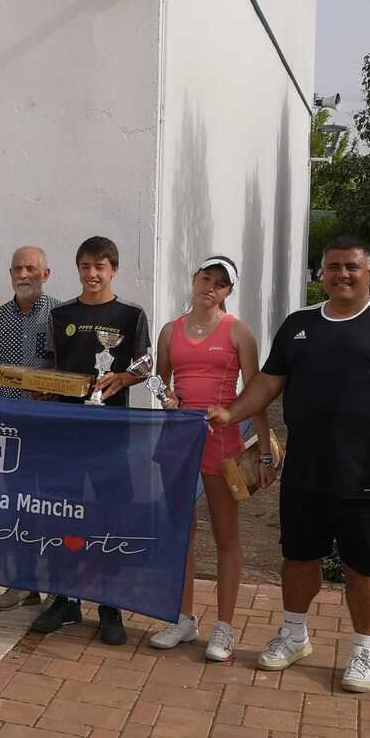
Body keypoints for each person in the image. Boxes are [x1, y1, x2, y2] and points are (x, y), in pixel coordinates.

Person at [207, 237, 370, 693]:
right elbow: (270, 381)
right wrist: (231, 413)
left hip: (364, 475)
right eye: (333, 267)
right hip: (306, 471)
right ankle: (293, 635)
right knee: (298, 558)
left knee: (363, 568)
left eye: (351, 267)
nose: (342, 275)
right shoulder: (299, 325)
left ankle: (363, 650)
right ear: (321, 273)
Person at [147, 256, 276, 662]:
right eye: (207, 279)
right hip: (178, 440)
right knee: (180, 532)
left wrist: (266, 443)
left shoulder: (239, 332)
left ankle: (224, 627)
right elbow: (163, 384)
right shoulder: (169, 331)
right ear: (194, 279)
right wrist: (167, 401)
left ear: (228, 292)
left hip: (222, 439)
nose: (211, 287)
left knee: (226, 536)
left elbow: (256, 390)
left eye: (221, 284)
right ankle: (183, 619)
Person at [31, 235, 151, 645]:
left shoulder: (131, 315)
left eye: (101, 267)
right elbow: (48, 366)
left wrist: (125, 377)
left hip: (111, 436)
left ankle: (109, 604)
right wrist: (43, 388)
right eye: (86, 267)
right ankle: (64, 599)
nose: (93, 274)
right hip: (65, 435)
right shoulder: (61, 314)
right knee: (63, 514)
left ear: (113, 270)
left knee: (107, 519)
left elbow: (146, 365)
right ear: (78, 269)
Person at [0, 246, 57, 610]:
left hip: (51, 428)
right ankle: (23, 583)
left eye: (31, 268)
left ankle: (59, 586)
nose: (23, 274)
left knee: (55, 505)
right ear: (10, 274)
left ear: (46, 274)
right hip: (9, 428)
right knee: (17, 505)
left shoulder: (62, 316)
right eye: (17, 269)